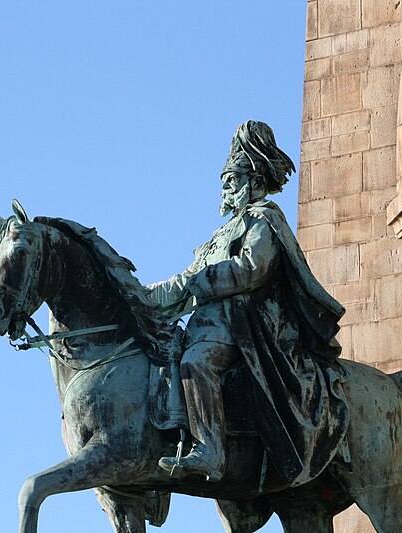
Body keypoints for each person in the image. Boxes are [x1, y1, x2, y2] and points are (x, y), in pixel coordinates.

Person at [149, 121, 350, 485]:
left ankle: (209, 450)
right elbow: (186, 279)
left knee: (197, 362)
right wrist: (144, 297)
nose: (226, 187)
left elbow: (251, 269)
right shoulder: (220, 233)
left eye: (233, 179)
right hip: (208, 324)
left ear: (254, 182)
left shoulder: (264, 221)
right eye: (225, 180)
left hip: (244, 326)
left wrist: (200, 282)